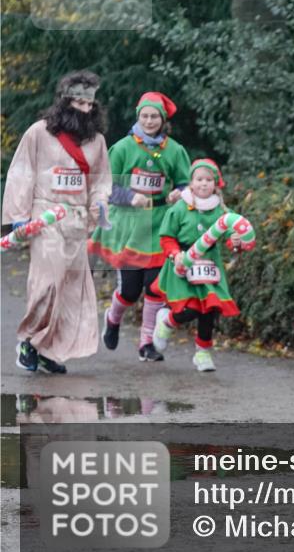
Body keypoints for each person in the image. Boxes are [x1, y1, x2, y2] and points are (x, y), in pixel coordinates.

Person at [2, 70, 112, 374]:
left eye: (88, 103)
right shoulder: (38, 133)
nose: (83, 107)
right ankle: (28, 340)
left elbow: (101, 180)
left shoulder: (97, 141)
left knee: (70, 290)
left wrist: (99, 206)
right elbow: (22, 173)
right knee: (47, 283)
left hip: (77, 222)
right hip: (45, 217)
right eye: (77, 100)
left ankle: (51, 350)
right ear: (65, 101)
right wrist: (18, 220)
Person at [89, 92, 191, 361]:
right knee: (130, 290)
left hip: (160, 222)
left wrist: (180, 193)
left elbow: (186, 182)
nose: (149, 121)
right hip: (130, 223)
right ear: (138, 117)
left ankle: (147, 343)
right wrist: (131, 197)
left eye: (154, 116)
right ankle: (112, 319)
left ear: (163, 119)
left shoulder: (175, 150)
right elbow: (106, 187)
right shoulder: (122, 148)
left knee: (156, 287)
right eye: (144, 116)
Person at [150, 159, 243, 372]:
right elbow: (166, 237)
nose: (204, 184)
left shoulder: (220, 211)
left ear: (215, 184)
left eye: (209, 180)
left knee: (209, 309)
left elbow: (230, 236)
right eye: (199, 179)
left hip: (209, 262)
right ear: (191, 183)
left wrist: (235, 241)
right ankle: (167, 322)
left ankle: (203, 353)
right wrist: (176, 255)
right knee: (189, 308)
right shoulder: (180, 208)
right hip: (182, 262)